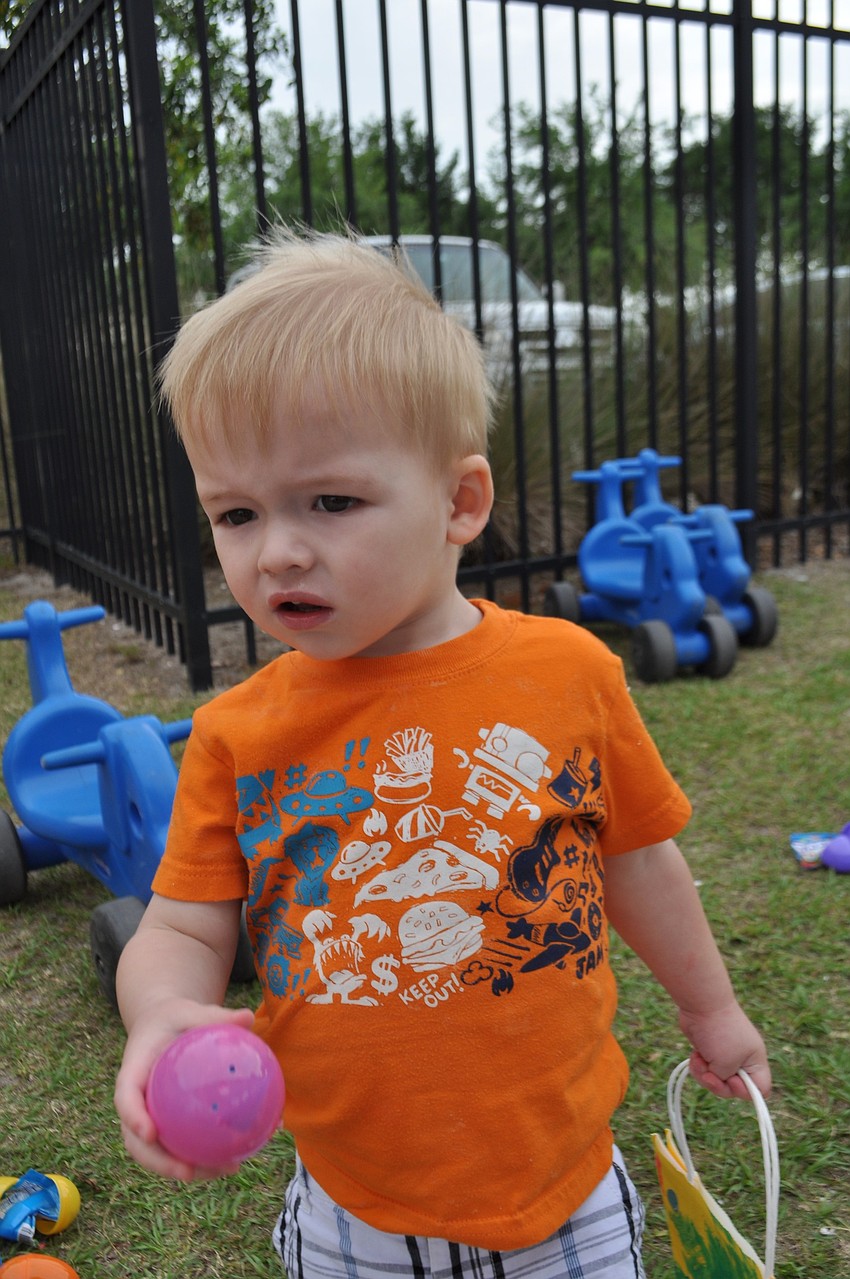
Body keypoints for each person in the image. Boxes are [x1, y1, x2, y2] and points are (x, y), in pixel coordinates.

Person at [114, 227, 770, 1279]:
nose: (276, 547)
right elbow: (184, 927)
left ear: (460, 502)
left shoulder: (566, 673)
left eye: (329, 500)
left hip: (567, 1196)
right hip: (349, 1209)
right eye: (235, 513)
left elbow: (637, 857)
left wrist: (712, 1008)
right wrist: (161, 1011)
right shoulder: (238, 734)